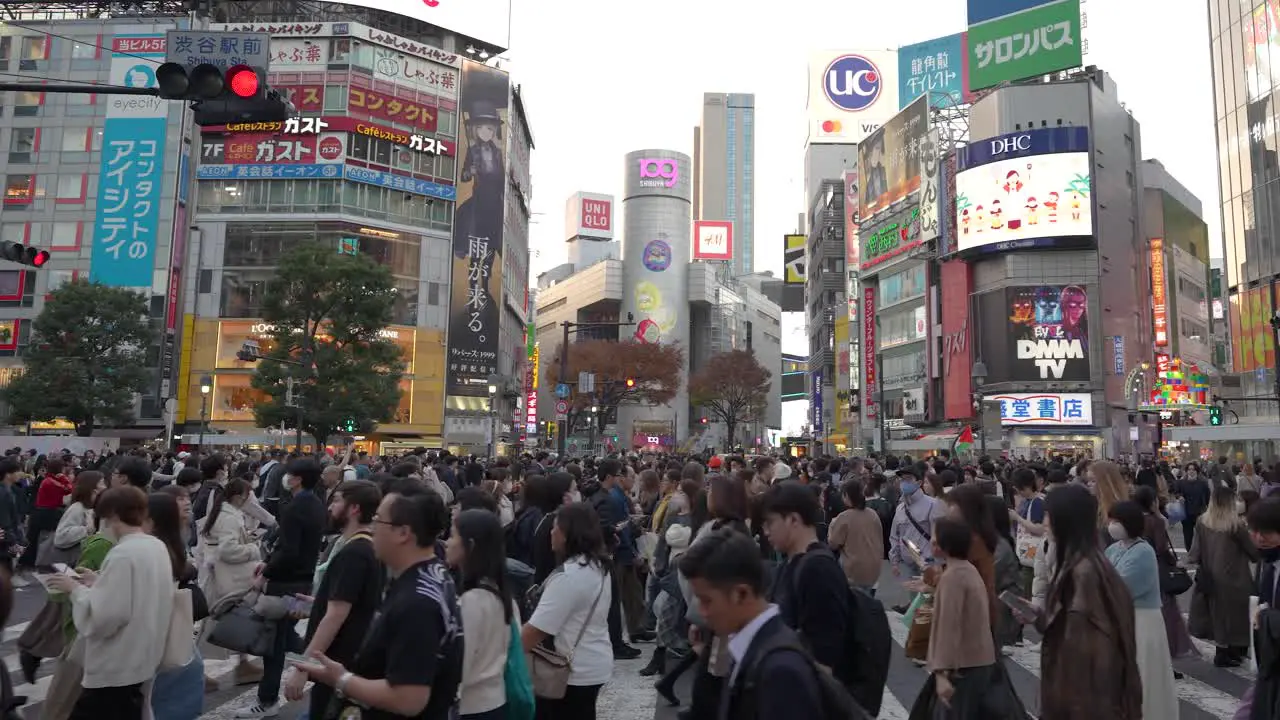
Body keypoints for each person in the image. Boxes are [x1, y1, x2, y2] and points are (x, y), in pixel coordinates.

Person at [293, 484, 463, 720]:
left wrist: (341, 679)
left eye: (379, 521)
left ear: (403, 533)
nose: (372, 528)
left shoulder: (418, 602)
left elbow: (408, 699)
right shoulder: (432, 575)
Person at [1011, 483, 1141, 719]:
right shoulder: (1083, 563)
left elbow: (1086, 651)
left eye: (1050, 516)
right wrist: (1040, 616)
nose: (1046, 522)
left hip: (1083, 701)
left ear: (1065, 520)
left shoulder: (1084, 573)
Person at [47, 486, 176, 720]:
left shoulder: (122, 553)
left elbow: (106, 616)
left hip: (116, 663)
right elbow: (139, 592)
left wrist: (74, 589)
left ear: (114, 515)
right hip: (143, 655)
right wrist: (99, 582)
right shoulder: (155, 546)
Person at [676, 527, 830, 720]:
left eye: (707, 601)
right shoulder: (746, 648)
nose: (702, 612)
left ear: (741, 593)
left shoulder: (780, 671)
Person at [284, 480, 384, 718]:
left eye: (337, 500)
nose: (329, 507)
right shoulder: (368, 547)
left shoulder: (354, 553)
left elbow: (336, 615)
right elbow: (355, 603)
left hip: (338, 661)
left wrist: (304, 666)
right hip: (348, 661)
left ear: (354, 508)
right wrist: (316, 603)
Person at [238, 458, 327, 719]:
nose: (285, 479)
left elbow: (288, 550)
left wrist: (266, 571)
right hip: (303, 581)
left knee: (274, 641)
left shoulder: (296, 507)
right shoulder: (315, 504)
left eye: (289, 475)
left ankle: (267, 700)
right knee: (288, 633)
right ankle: (323, 663)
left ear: (297, 478)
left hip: (285, 585)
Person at [521, 502, 613, 720]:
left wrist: (504, 653)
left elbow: (537, 630)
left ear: (568, 533)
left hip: (570, 672)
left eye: (555, 527)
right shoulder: (597, 566)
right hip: (593, 661)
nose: (551, 532)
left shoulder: (569, 577)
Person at [760, 481, 850, 682]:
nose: (766, 531)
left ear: (793, 520)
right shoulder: (790, 563)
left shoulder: (818, 569)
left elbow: (824, 654)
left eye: (770, 522)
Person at [913, 516, 997, 718]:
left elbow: (948, 626)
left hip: (961, 667)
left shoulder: (953, 578)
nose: (932, 542)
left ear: (943, 544)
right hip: (977, 662)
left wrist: (941, 673)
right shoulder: (967, 570)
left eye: (935, 538)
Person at [1103, 500, 1179, 719]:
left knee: (1144, 674)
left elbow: (1120, 587)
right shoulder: (1113, 549)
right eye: (1111, 520)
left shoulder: (1143, 551)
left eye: (1117, 521)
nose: (1112, 525)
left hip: (1142, 619)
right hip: (1121, 619)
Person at [449, 508, 514, 720]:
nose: (447, 543)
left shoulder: (473, 601)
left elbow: (461, 663)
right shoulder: (500, 593)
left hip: (472, 705)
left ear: (471, 545)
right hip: (495, 698)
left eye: (452, 536)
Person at [1187, 484, 1259, 667]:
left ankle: (1222, 651)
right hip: (1235, 577)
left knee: (1217, 615)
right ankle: (1234, 651)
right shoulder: (1236, 525)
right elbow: (1254, 553)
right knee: (1238, 616)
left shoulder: (1202, 522)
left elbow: (1194, 553)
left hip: (1210, 576)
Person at [827, 479, 884, 595]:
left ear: (846, 496)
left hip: (853, 571)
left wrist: (831, 528)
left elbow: (833, 544)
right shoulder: (872, 514)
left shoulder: (844, 517)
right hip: (874, 568)